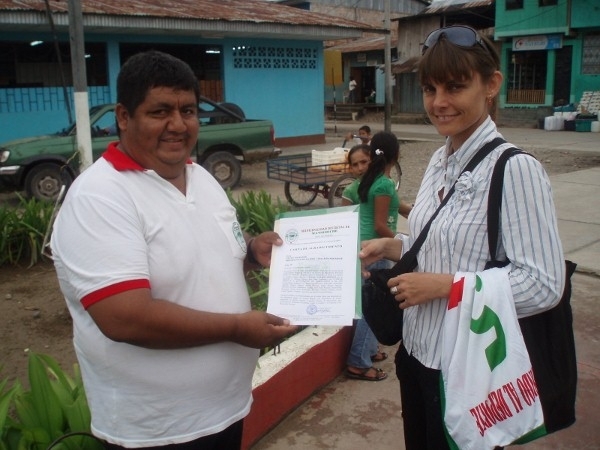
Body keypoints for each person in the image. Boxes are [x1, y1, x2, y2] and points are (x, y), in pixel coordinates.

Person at [50, 50, 297, 450]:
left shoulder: (201, 178)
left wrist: (252, 252)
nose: (178, 125)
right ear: (124, 116)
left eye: (188, 111)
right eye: (160, 111)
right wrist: (237, 328)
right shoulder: (100, 196)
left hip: (226, 410)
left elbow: (204, 262)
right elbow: (125, 318)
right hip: (157, 430)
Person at [359, 26, 565, 449]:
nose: (438, 102)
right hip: (415, 354)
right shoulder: (440, 158)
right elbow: (446, 246)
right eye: (429, 88)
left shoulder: (515, 169)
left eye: (454, 86)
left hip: (466, 371)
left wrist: (447, 288)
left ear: (491, 85)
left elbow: (544, 284)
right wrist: (393, 245)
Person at [343, 132, 401, 381]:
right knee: (373, 307)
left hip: (362, 248)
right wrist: (402, 245)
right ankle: (358, 362)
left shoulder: (366, 182)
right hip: (377, 249)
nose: (360, 167)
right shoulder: (384, 183)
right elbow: (379, 225)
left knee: (367, 302)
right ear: (396, 155)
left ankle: (367, 351)